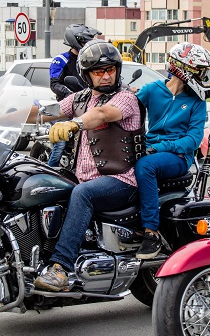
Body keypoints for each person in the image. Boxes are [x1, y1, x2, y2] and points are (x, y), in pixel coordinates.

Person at [34, 40, 143, 291]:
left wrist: (74, 124)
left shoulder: (125, 98)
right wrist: (5, 114)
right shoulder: (80, 98)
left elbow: (103, 115)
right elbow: (46, 111)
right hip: (81, 176)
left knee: (82, 194)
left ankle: (60, 267)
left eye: (110, 70)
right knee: (41, 181)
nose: (105, 76)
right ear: (87, 75)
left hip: (120, 180)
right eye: (98, 71)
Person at [134, 43, 210, 259]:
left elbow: (193, 140)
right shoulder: (152, 90)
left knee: (145, 166)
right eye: (200, 71)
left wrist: (158, 147)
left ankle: (151, 232)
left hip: (178, 157)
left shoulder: (197, 101)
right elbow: (128, 107)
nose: (203, 77)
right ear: (184, 68)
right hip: (150, 149)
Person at [47, 24, 102, 167]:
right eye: (84, 41)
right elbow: (55, 84)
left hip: (87, 105)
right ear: (74, 41)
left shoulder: (90, 60)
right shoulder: (61, 60)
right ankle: (48, 170)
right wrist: (71, 94)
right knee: (60, 143)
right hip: (66, 108)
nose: (87, 44)